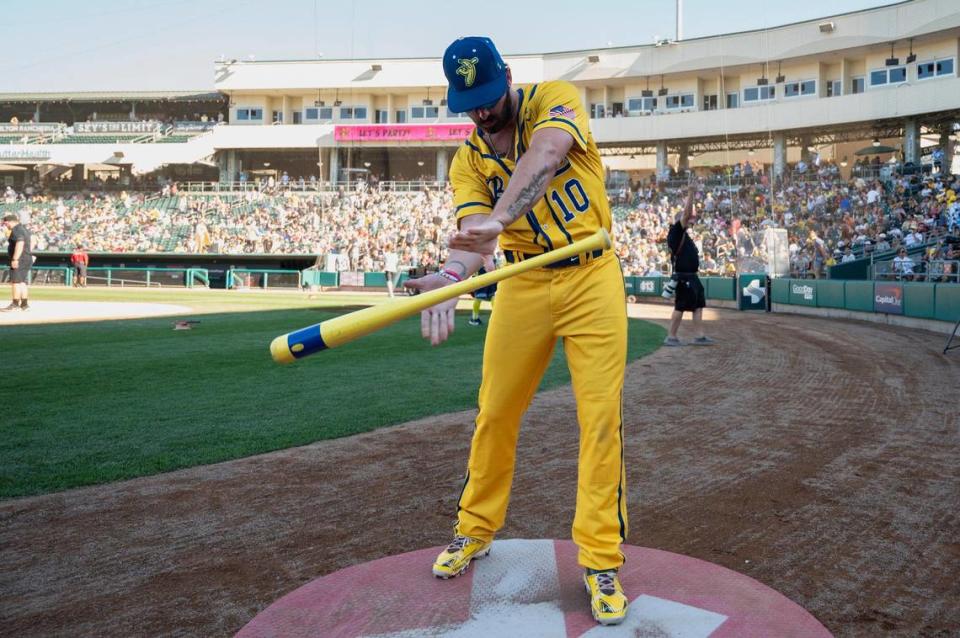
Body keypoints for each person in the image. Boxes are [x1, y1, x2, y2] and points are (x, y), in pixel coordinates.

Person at [404, 36, 630, 625]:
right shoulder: (467, 160)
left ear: (508, 76)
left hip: (591, 273)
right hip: (524, 286)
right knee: (495, 412)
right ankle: (474, 529)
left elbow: (548, 155)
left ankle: (601, 557)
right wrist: (452, 277)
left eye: (487, 96)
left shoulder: (554, 99)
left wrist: (503, 219)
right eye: (468, 102)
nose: (481, 113)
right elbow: (475, 234)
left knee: (599, 418)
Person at [663, 187, 713, 346]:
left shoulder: (683, 234)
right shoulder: (676, 232)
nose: (691, 220)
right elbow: (686, 214)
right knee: (680, 306)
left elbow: (687, 215)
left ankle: (699, 336)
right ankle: (671, 336)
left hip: (692, 276)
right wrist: (691, 193)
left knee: (698, 305)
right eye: (687, 219)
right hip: (684, 277)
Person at [2, 213, 32, 311]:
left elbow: (20, 243)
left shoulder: (16, 230)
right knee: (22, 282)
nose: (6, 225)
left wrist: (15, 259)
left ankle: (15, 304)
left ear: (11, 221)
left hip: (20, 259)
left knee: (15, 282)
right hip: (26, 257)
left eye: (6, 223)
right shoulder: (23, 229)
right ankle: (24, 304)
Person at [467, 253, 497, 326]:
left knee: (489, 297)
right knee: (482, 297)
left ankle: (475, 318)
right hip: (485, 277)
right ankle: (475, 318)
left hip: (487, 277)